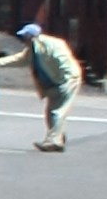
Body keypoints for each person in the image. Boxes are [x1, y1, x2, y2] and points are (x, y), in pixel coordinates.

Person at [13, 17, 79, 150]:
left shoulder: (52, 44)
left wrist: (65, 79)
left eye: (24, 36)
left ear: (30, 36)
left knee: (58, 112)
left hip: (68, 79)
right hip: (55, 83)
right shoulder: (33, 49)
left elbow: (63, 60)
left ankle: (53, 142)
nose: (23, 39)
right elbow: (16, 59)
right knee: (50, 112)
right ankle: (58, 137)